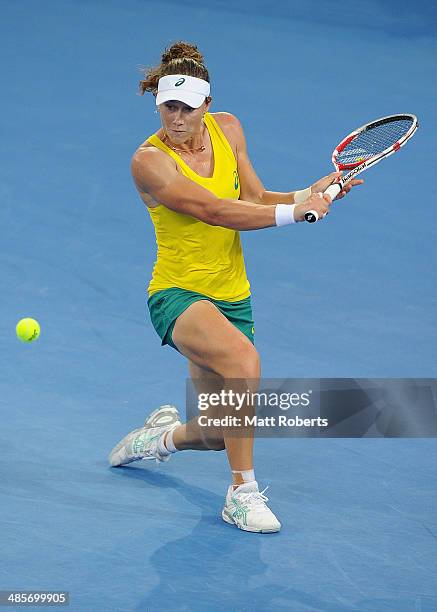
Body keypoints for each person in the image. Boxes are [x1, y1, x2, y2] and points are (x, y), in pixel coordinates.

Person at [108, 41, 363, 533]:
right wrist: (295, 214)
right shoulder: (149, 162)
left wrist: (312, 191)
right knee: (244, 361)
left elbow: (255, 197)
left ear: (207, 103)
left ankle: (159, 438)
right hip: (177, 295)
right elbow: (213, 210)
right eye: (168, 106)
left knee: (214, 433)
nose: (176, 117)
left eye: (187, 106)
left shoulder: (228, 129)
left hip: (232, 294)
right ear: (157, 102)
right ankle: (241, 492)